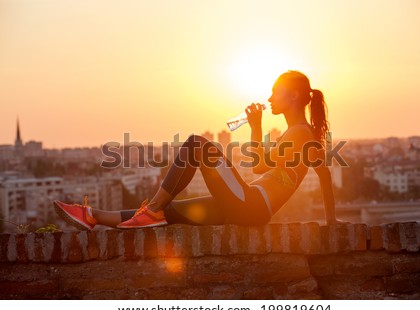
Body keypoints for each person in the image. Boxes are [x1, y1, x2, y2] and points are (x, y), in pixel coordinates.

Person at [54, 70, 339, 230]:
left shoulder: (302, 133)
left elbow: (323, 175)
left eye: (275, 92)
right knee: (173, 211)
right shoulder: (295, 132)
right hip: (247, 206)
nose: (269, 98)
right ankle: (93, 216)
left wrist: (331, 222)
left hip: (252, 205)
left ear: (294, 96)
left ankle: (152, 208)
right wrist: (255, 126)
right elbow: (262, 167)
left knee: (196, 144)